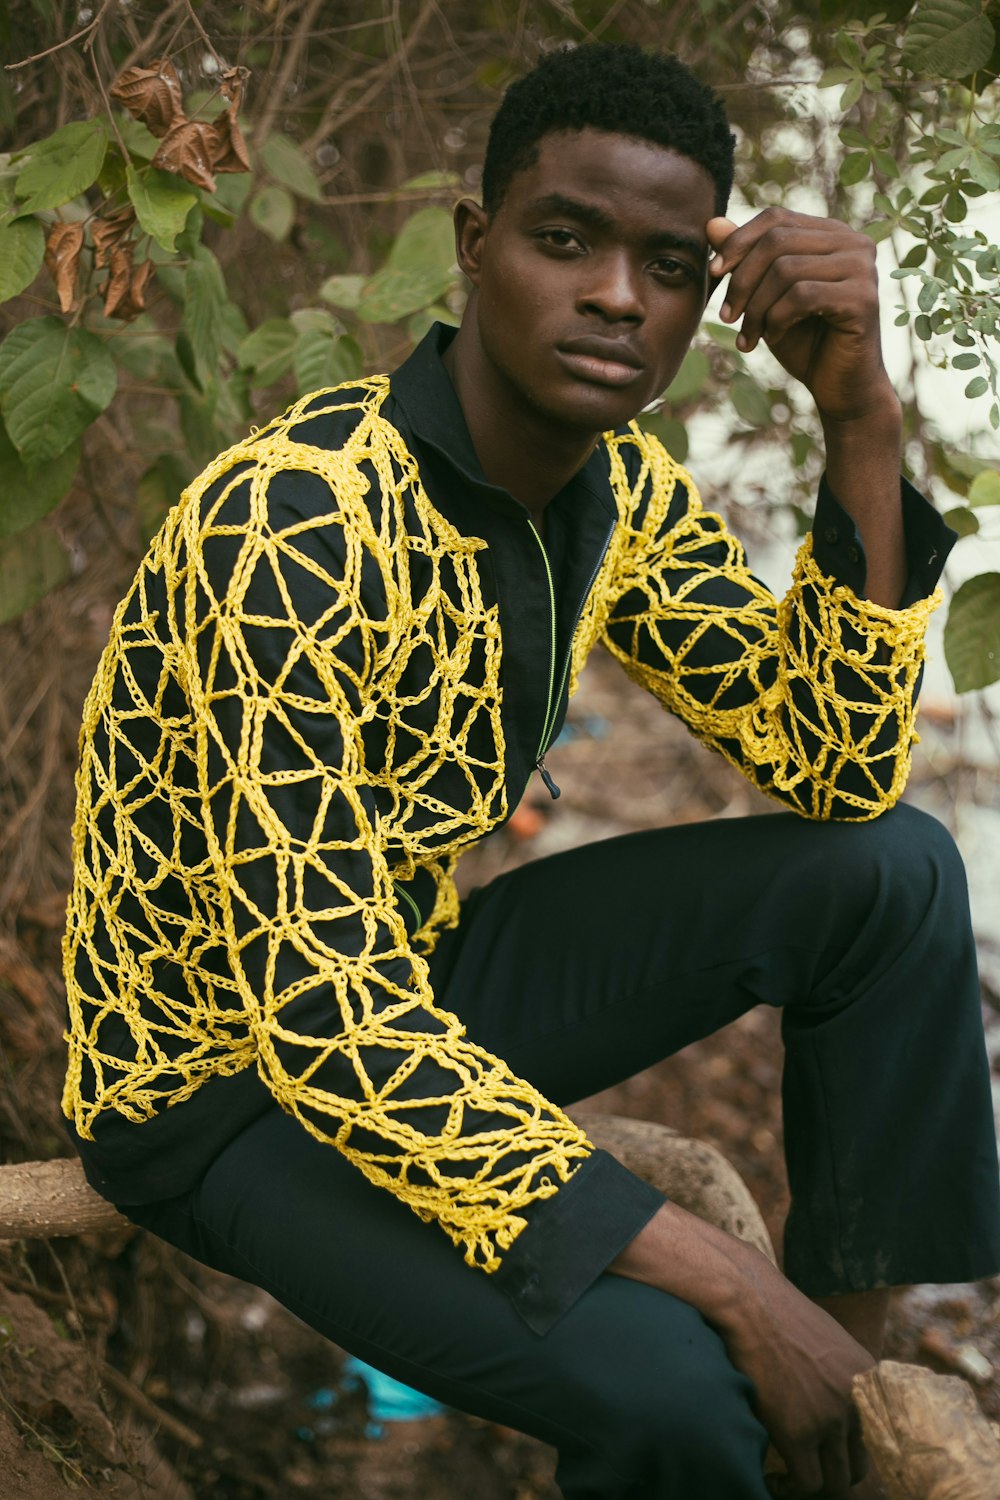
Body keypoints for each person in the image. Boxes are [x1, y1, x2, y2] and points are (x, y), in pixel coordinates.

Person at [62, 41, 1000, 1500]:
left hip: (416, 983)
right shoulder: (295, 528)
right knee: (685, 1402)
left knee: (890, 871)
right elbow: (324, 1019)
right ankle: (783, 1374)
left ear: (708, 296)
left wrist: (862, 420)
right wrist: (730, 1290)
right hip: (226, 1087)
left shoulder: (614, 491)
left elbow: (839, 763)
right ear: (474, 245)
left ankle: (846, 1397)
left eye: (669, 264)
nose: (619, 295)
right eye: (567, 240)